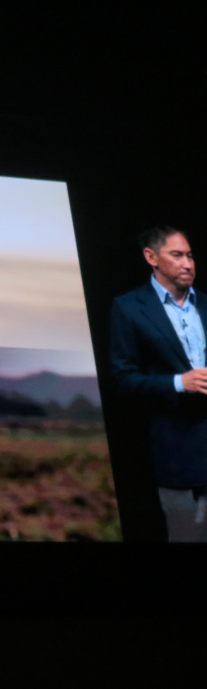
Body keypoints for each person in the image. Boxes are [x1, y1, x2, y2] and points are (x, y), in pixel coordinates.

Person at [110, 225, 207, 542]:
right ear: (151, 257)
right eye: (177, 255)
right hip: (175, 452)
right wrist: (179, 383)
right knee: (187, 536)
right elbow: (123, 379)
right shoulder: (129, 308)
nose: (188, 264)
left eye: (190, 255)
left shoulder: (205, 304)